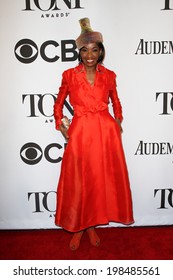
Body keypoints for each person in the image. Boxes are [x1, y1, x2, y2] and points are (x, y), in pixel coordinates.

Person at [54, 18, 134, 251]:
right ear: (80, 52)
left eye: (95, 50)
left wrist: (117, 121)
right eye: (85, 50)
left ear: (101, 52)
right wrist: (60, 124)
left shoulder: (109, 75)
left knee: (100, 180)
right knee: (80, 180)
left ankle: (91, 225)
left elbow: (116, 101)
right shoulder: (69, 75)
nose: (90, 54)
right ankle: (80, 227)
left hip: (104, 132)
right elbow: (58, 103)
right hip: (80, 132)